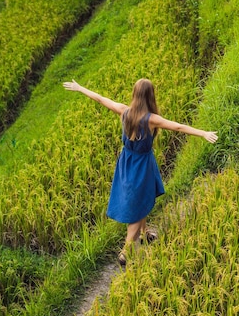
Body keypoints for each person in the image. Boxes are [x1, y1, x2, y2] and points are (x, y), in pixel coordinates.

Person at [63, 78, 218, 265]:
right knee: (138, 205)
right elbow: (178, 126)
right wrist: (203, 133)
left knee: (140, 199)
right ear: (150, 96)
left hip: (126, 163)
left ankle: (144, 234)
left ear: (135, 95)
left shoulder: (124, 111)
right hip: (142, 166)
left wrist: (80, 88)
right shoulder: (151, 119)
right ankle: (126, 251)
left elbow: (101, 99)